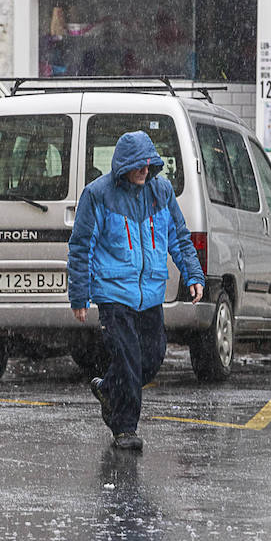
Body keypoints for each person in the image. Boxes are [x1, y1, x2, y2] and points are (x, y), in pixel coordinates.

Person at [68, 131, 204, 451]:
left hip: (151, 294)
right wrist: (80, 294)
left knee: (152, 358)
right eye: (138, 166)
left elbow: (180, 237)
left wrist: (193, 274)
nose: (144, 171)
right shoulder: (98, 195)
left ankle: (109, 390)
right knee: (128, 357)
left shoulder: (162, 192)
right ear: (124, 166)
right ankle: (124, 427)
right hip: (113, 295)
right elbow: (81, 246)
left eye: (149, 165)